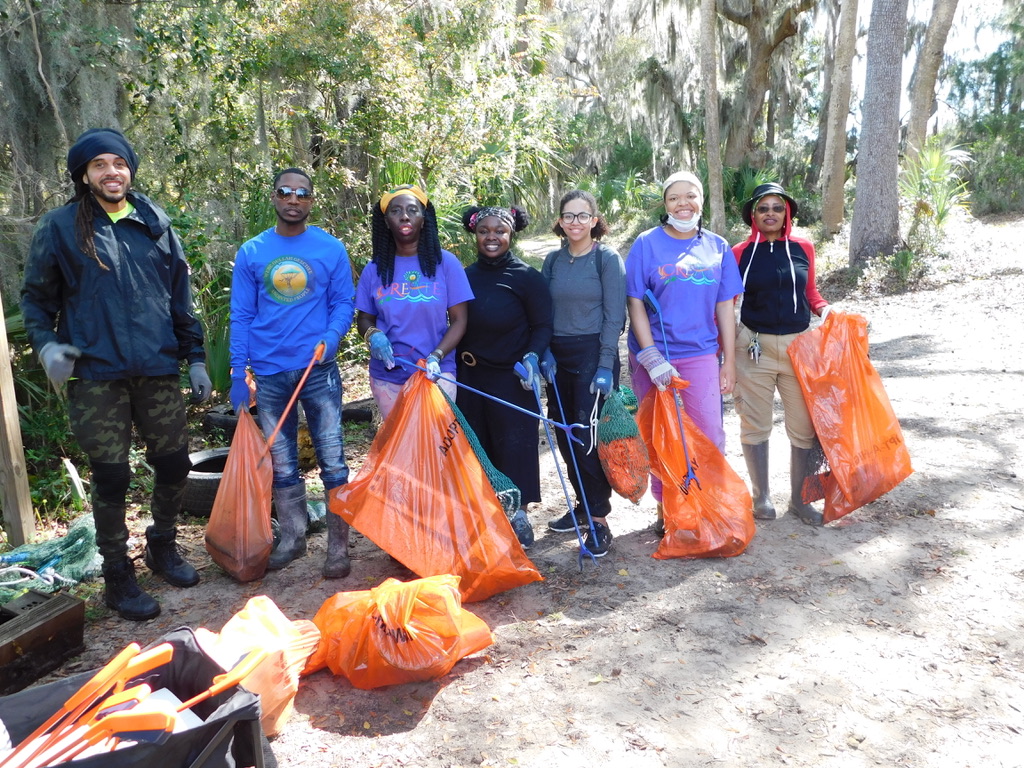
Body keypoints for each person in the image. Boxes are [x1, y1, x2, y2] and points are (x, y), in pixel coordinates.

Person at [21, 128, 212, 621]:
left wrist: (193, 357)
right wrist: (47, 350)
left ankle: (162, 546)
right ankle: (117, 577)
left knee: (173, 465)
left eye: (119, 163)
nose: (112, 172)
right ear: (84, 175)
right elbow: (36, 301)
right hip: (96, 375)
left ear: (130, 169)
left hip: (156, 366)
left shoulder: (153, 223)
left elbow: (179, 298)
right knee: (111, 477)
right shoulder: (61, 228)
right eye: (100, 165)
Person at [229, 168, 355, 577]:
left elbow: (343, 302)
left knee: (332, 459)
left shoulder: (330, 248)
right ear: (274, 197)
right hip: (268, 373)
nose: (293, 198)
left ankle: (338, 547)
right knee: (282, 463)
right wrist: (236, 371)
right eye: (286, 191)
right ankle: (293, 538)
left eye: (302, 193)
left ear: (311, 201)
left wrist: (332, 338)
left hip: (317, 370)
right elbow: (242, 313)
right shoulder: (252, 251)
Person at [626, 171, 743, 535]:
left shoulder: (718, 247)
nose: (683, 203)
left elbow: (726, 308)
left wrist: (729, 362)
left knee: (708, 434)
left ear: (701, 201)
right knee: (663, 434)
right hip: (655, 356)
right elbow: (635, 303)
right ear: (665, 204)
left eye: (690, 196)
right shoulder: (646, 244)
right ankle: (668, 511)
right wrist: (650, 355)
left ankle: (706, 505)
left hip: (701, 354)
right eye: (675, 197)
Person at [731, 182, 831, 526]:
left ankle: (800, 500)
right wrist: (723, 350)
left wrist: (826, 311)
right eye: (763, 208)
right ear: (753, 215)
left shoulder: (803, 247)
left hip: (797, 347)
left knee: (803, 427)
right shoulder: (740, 252)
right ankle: (761, 497)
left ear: (786, 212)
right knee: (755, 424)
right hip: (752, 347)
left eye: (777, 207)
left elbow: (812, 292)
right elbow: (727, 301)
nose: (770, 213)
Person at [457, 205, 552, 550]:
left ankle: (519, 515)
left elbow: (543, 326)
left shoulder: (527, 277)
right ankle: (485, 516)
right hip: (470, 376)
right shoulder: (462, 276)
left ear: (511, 234)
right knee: (477, 446)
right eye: (485, 231)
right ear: (475, 234)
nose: (492, 237)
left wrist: (533, 356)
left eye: (500, 231)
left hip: (513, 378)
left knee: (515, 446)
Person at [540, 190, 626, 557]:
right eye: (567, 215)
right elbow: (541, 312)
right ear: (559, 221)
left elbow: (614, 316)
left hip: (594, 352)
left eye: (582, 215)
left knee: (587, 437)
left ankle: (599, 520)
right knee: (563, 433)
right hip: (558, 356)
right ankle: (582, 503)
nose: (574, 222)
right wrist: (542, 351)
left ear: (594, 220)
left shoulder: (606, 258)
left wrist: (606, 364)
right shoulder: (552, 262)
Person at [355, 185, 473, 419]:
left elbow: (459, 320)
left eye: (412, 210)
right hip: (388, 377)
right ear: (387, 221)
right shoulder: (374, 269)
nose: (405, 215)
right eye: (396, 211)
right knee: (400, 449)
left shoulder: (446, 263)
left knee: (437, 449)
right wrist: (373, 335)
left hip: (436, 374)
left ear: (423, 218)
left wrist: (437, 355)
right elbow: (365, 317)